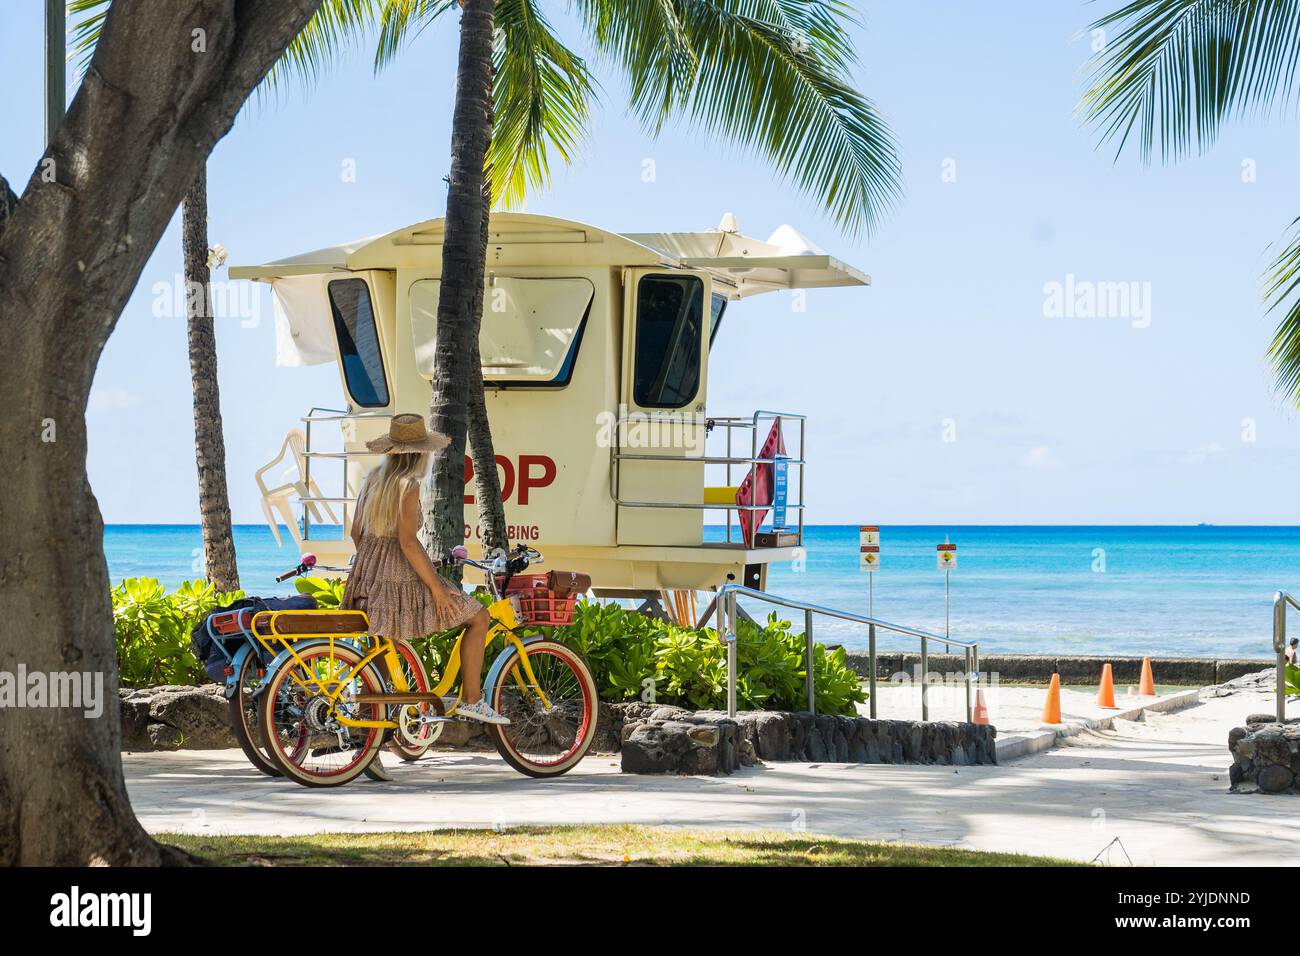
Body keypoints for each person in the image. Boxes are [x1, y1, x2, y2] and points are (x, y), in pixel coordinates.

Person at [342, 413, 509, 725]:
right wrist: (435, 587)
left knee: (378, 651)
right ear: (420, 453)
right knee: (479, 617)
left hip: (366, 578)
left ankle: (375, 735)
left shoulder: (373, 480)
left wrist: (375, 567)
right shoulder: (408, 486)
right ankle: (472, 699)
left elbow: (356, 533)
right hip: (397, 575)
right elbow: (407, 542)